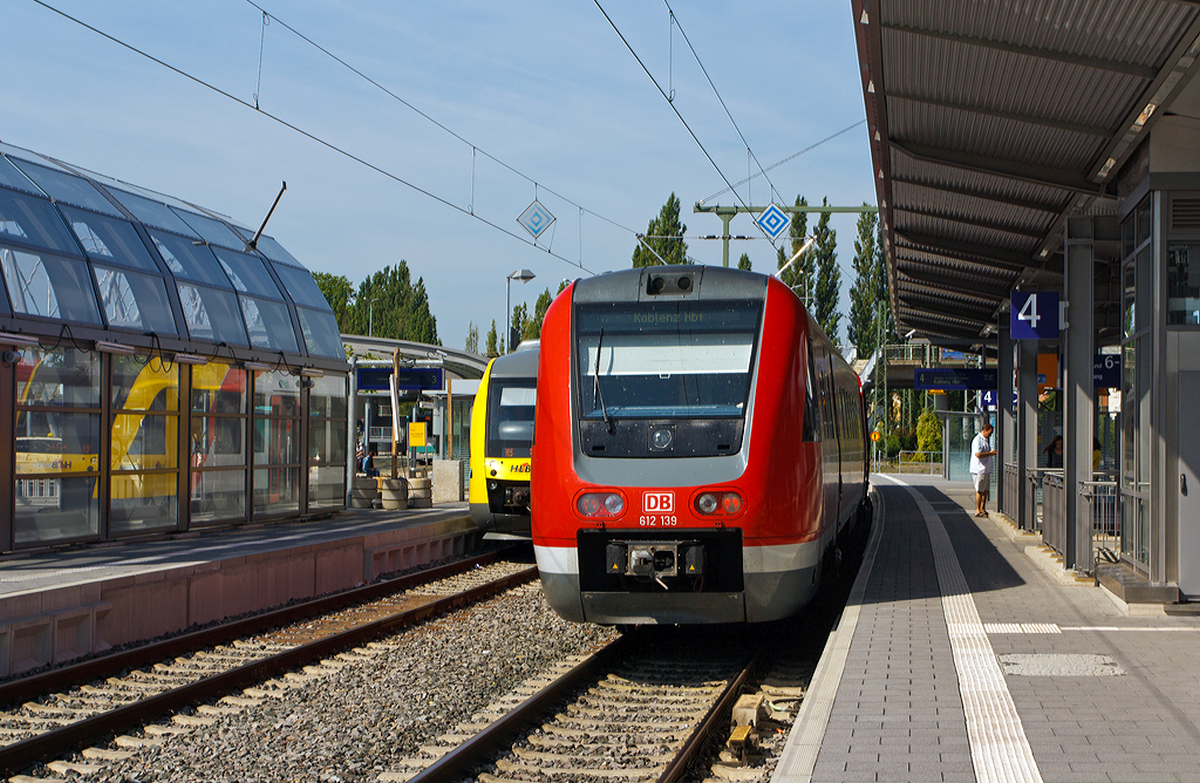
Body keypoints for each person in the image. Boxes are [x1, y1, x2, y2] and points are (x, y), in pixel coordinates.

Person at [969, 422, 997, 518]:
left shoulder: (985, 440)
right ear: (985, 430)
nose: (990, 435)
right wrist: (990, 453)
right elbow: (978, 454)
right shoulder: (978, 440)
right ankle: (977, 509)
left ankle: (983, 508)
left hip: (986, 470)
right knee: (979, 490)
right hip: (979, 470)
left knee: (985, 490)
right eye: (989, 433)